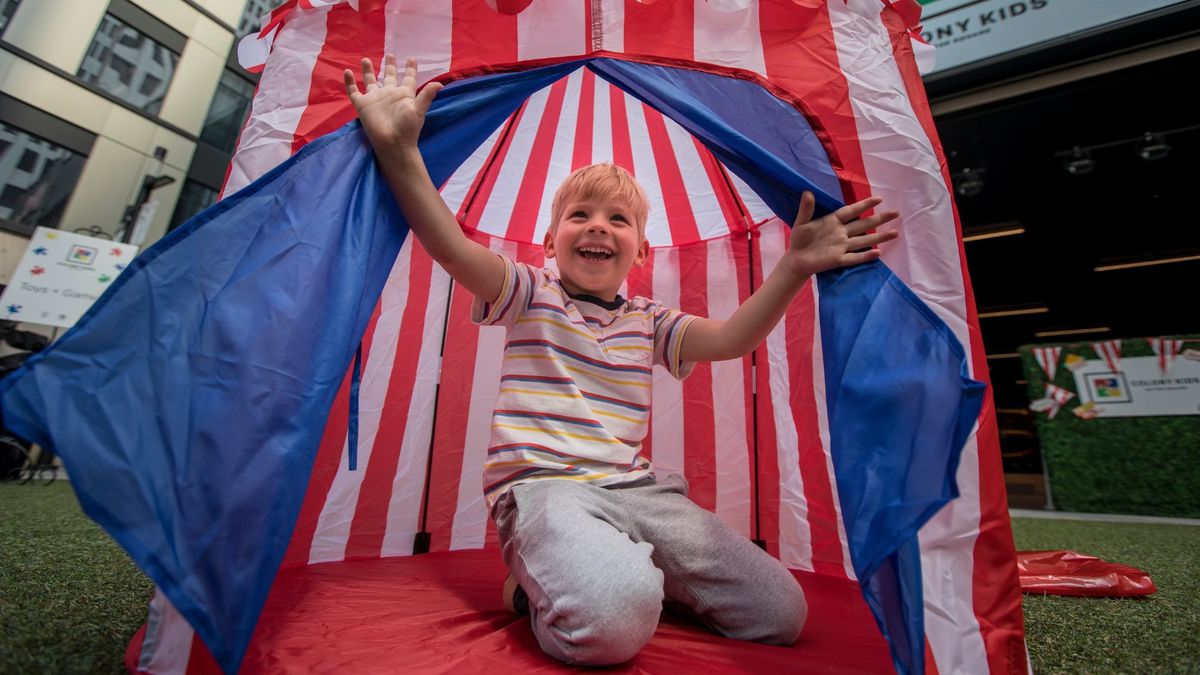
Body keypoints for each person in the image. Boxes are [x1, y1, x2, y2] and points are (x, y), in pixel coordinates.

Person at [344, 55, 900, 666]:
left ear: (640, 251)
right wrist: (400, 154)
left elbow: (733, 339)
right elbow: (450, 248)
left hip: (638, 494)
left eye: (618, 219)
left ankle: (619, 570)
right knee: (610, 626)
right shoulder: (531, 292)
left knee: (779, 613)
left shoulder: (649, 320)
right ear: (552, 239)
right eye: (579, 216)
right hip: (548, 489)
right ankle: (552, 588)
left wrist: (794, 267)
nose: (597, 227)